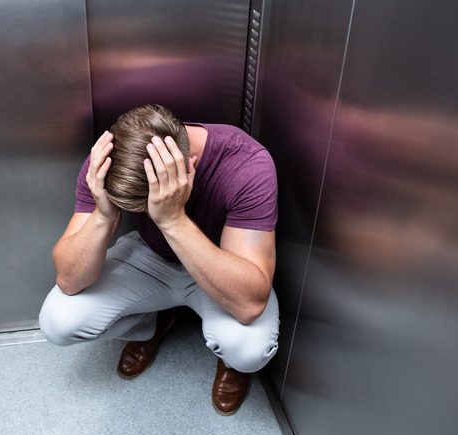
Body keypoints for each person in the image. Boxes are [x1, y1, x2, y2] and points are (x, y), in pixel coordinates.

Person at [39, 104, 279, 416]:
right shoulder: (110, 156)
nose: (143, 215)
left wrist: (173, 220)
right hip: (150, 258)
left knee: (248, 350)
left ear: (188, 166)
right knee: (58, 322)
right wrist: (103, 213)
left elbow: (249, 305)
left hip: (219, 264)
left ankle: (228, 360)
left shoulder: (246, 164)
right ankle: (151, 325)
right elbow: (69, 281)